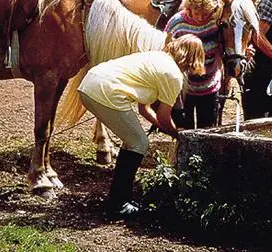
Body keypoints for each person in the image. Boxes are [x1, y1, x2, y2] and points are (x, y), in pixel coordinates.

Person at [77, 34, 205, 218]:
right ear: (195, 58)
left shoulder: (156, 57)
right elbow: (163, 115)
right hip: (105, 91)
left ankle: (122, 198)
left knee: (132, 141)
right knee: (139, 143)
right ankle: (118, 204)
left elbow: (144, 109)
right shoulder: (174, 75)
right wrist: (177, 135)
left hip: (90, 82)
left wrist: (163, 127)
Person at [164, 0, 223, 129]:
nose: (201, 18)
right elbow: (165, 49)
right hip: (185, 89)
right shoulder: (176, 22)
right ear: (189, 7)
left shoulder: (216, 22)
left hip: (210, 85)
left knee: (208, 129)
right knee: (185, 129)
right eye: (197, 13)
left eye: (205, 13)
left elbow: (226, 44)